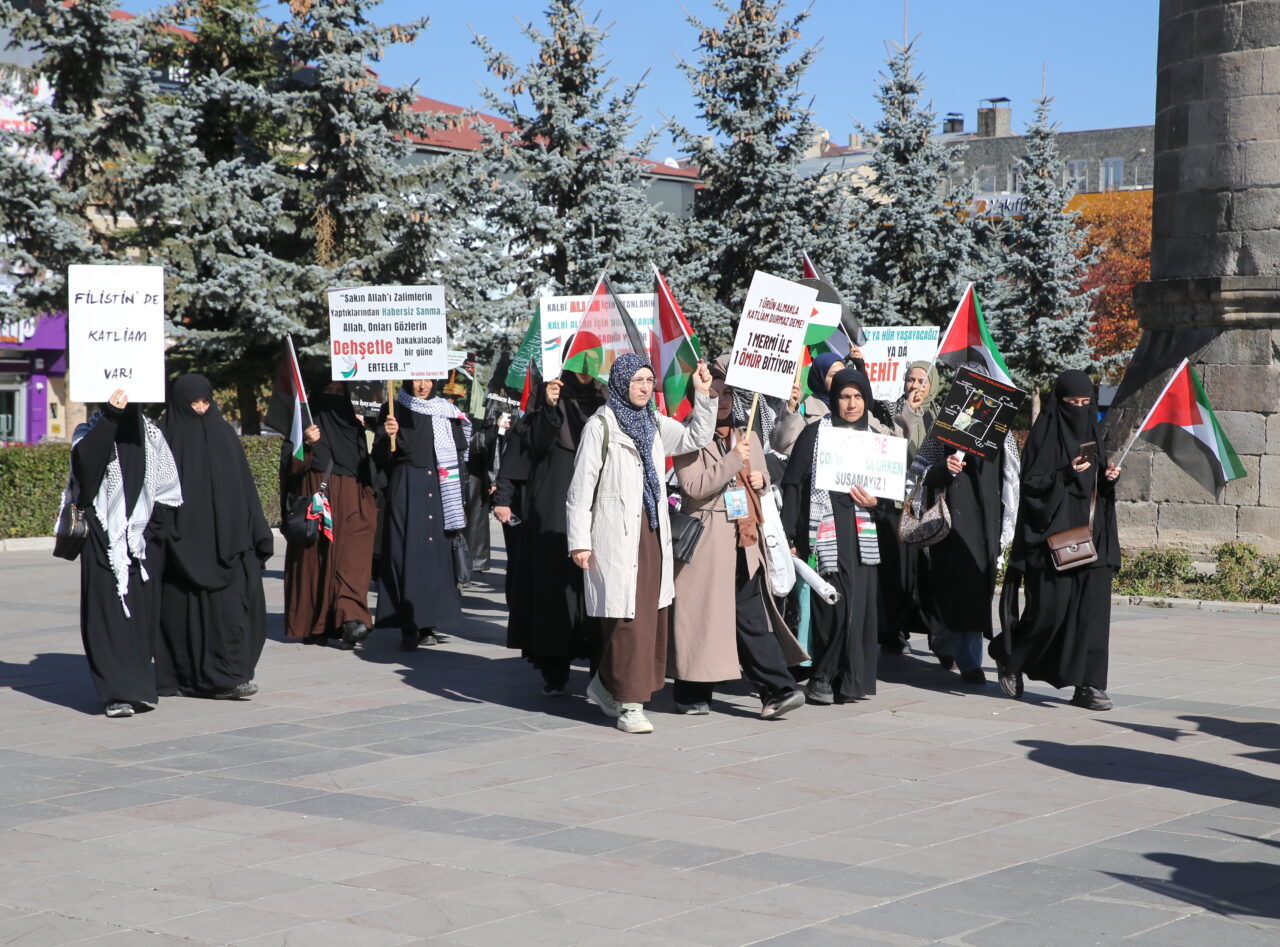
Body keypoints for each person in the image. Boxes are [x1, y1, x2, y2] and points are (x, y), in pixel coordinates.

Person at [566, 353, 715, 734]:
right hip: (616, 536)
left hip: (651, 533)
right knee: (627, 620)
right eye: (637, 381)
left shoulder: (653, 421)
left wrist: (703, 395)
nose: (645, 387)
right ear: (620, 383)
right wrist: (579, 542)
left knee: (651, 616)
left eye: (649, 380)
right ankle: (630, 705)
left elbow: (695, 437)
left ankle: (605, 685)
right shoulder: (601, 426)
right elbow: (580, 491)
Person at [670, 373, 807, 719]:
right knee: (702, 619)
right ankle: (691, 693)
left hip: (745, 541)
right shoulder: (687, 437)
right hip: (706, 544)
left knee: (751, 619)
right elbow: (695, 486)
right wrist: (733, 460)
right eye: (714, 394)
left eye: (728, 393)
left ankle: (780, 689)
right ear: (699, 398)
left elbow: (760, 480)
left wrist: (762, 479)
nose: (724, 400)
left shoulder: (747, 436)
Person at [992, 370, 1122, 711]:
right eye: (1072, 403)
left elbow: (1097, 491)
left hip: (1093, 540)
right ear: (1058, 403)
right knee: (1049, 612)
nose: (1079, 410)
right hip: (1051, 542)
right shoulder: (1044, 436)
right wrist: (1065, 474)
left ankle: (1088, 685)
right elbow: (1032, 487)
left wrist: (1107, 478)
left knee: (1092, 617)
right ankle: (1010, 656)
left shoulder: (1093, 431)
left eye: (1085, 404)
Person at [66, 389, 183, 717]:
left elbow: (168, 490)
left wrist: (149, 533)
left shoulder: (152, 436)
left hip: (143, 547)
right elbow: (86, 479)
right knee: (107, 617)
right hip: (101, 543)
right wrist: (111, 419)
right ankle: (116, 693)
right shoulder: (88, 433)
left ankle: (138, 688)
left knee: (139, 620)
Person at [156, 375, 273, 699]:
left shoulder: (223, 434)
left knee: (233, 612)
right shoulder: (164, 438)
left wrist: (257, 533)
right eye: (193, 403)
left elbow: (245, 488)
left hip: (229, 545)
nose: (201, 409)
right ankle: (187, 677)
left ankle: (228, 676)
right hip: (180, 549)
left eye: (206, 402)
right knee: (182, 619)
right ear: (180, 403)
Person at [781, 368, 892, 704]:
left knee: (858, 606)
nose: (852, 403)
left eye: (858, 397)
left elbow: (889, 496)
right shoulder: (815, 434)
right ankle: (823, 676)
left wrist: (877, 502)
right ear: (834, 399)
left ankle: (843, 680)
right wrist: (790, 534)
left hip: (863, 532)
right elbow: (793, 485)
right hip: (826, 530)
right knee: (836, 607)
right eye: (845, 396)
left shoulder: (874, 439)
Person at [497, 372, 606, 695]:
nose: (585, 373)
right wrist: (549, 406)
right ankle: (554, 669)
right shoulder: (550, 400)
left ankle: (602, 671)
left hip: (599, 509)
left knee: (597, 591)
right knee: (552, 594)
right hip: (552, 512)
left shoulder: (608, 402)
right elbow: (529, 444)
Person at [912, 366, 1020, 684]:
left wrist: (1007, 525)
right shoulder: (944, 427)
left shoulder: (1002, 431)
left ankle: (958, 650)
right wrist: (943, 468)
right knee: (952, 588)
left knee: (976, 590)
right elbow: (920, 473)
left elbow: (1011, 479)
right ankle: (965, 658)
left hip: (984, 523)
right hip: (949, 522)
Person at [374, 378, 472, 650]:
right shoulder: (393, 408)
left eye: (428, 379)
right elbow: (380, 458)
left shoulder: (446, 410)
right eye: (417, 379)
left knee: (435, 557)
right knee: (407, 555)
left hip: (441, 489)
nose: (422, 385)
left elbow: (460, 455)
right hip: (407, 489)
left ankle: (429, 623)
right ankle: (407, 624)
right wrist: (386, 434)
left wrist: (460, 497)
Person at [282, 379, 377, 649]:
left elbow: (367, 469)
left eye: (339, 392)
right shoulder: (304, 428)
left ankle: (350, 619)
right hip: (317, 508)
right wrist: (308, 444)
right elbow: (291, 468)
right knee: (315, 564)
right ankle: (315, 625)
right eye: (328, 391)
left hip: (352, 508)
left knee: (350, 562)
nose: (334, 397)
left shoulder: (353, 428)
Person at [879, 361, 941, 655]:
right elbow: (895, 447)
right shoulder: (891, 411)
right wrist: (910, 414)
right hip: (897, 502)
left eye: (922, 381)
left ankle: (934, 635)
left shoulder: (939, 413)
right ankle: (893, 630)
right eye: (910, 379)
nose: (915, 386)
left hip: (927, 502)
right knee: (897, 569)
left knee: (929, 573)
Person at [770, 352, 845, 459]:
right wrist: (791, 409)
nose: (841, 379)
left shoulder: (856, 407)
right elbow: (781, 445)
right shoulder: (804, 409)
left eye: (844, 373)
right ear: (820, 378)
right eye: (834, 375)